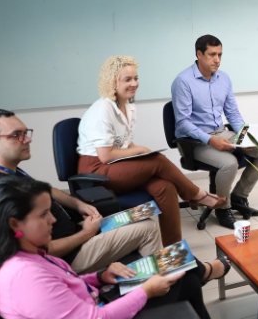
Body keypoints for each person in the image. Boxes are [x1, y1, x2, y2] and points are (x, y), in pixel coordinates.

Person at [0, 176, 230, 319]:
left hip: (92, 306)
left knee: (181, 272)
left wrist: (100, 276)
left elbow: (62, 289)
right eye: (44, 215)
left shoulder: (26, 254)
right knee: (181, 276)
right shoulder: (24, 276)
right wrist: (145, 291)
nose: (53, 221)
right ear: (15, 224)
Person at [0, 109, 162, 275]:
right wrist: (86, 234)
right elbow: (41, 252)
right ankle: (156, 287)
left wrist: (78, 204)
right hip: (69, 256)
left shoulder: (7, 172)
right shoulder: (0, 192)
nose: (28, 139)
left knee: (141, 215)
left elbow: (45, 189)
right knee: (148, 228)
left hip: (75, 230)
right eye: (16, 135)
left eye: (26, 132)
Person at [77, 56, 224, 246]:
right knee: (158, 160)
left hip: (115, 165)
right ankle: (196, 194)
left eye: (135, 78)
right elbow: (105, 155)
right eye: (127, 79)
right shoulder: (102, 110)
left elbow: (123, 143)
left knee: (165, 187)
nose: (134, 83)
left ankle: (172, 250)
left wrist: (137, 150)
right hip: (96, 170)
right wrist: (138, 151)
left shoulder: (128, 105)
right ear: (113, 82)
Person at [171, 35, 258, 230]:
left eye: (219, 54)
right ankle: (222, 206)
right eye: (212, 54)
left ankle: (239, 195)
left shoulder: (224, 78)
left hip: (220, 131)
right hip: (194, 139)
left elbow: (233, 114)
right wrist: (211, 140)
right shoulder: (183, 81)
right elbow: (183, 123)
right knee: (229, 163)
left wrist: (246, 137)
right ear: (199, 54)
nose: (217, 59)